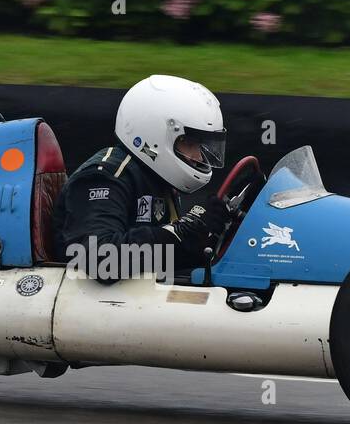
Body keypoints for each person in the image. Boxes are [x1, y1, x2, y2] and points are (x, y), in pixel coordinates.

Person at [52, 74, 231, 280]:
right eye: (189, 143)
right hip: (86, 298)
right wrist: (180, 234)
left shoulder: (156, 177)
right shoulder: (104, 177)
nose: (198, 156)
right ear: (153, 134)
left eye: (200, 146)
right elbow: (97, 258)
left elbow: (162, 255)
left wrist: (200, 236)